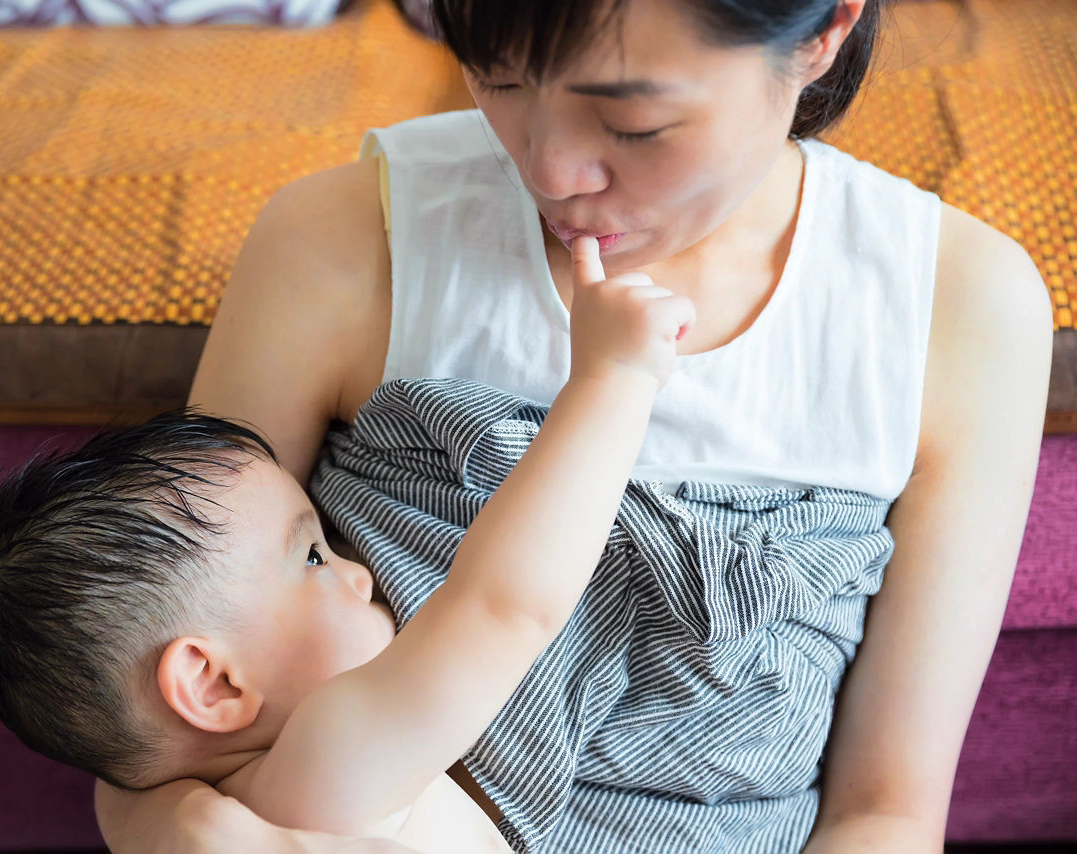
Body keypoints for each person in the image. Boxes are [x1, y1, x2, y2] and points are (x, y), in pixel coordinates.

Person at [96, 0, 1054, 851]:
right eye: (499, 78)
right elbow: (154, 699)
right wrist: (186, 830)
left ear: (823, 32)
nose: (549, 170)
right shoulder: (341, 243)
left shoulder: (955, 310)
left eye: (634, 122)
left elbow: (884, 811)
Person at [0, 240, 692, 852]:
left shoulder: (214, 801)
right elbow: (502, 607)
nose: (360, 573)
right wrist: (616, 375)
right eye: (311, 557)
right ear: (214, 685)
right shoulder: (327, 762)